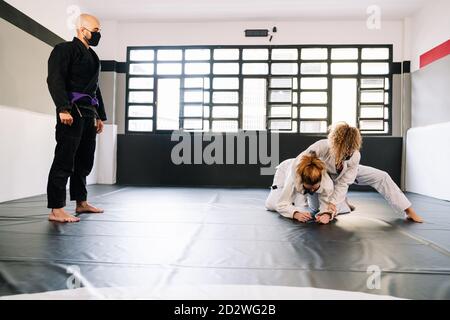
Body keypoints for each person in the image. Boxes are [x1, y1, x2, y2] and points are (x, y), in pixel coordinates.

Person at [295, 122, 423, 223]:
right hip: (323, 177)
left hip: (343, 175)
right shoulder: (321, 146)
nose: (349, 153)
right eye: (345, 150)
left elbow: (343, 183)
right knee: (317, 209)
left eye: (351, 149)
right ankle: (343, 205)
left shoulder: (354, 156)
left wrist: (333, 203)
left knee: (382, 176)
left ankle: (408, 211)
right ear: (336, 144)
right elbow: (300, 165)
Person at [46, 14, 107, 223]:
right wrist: (63, 108)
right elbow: (55, 79)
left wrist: (100, 116)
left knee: (84, 161)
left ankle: (81, 203)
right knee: (64, 159)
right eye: (95, 30)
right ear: (82, 29)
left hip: (89, 113)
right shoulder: (64, 50)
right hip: (71, 112)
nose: (98, 34)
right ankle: (56, 209)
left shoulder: (94, 57)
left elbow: (95, 89)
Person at [265, 152, 350, 224]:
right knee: (272, 204)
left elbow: (327, 205)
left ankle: (343, 203)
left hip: (307, 182)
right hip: (285, 169)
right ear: (302, 182)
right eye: (309, 188)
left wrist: (326, 215)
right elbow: (281, 204)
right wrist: (296, 214)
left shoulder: (327, 184)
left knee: (316, 208)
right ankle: (296, 200)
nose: (312, 191)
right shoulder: (293, 178)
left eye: (315, 188)